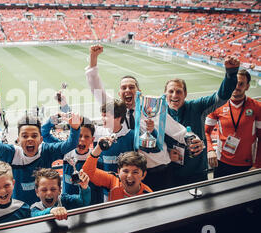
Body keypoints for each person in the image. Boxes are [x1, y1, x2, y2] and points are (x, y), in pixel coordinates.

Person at [86, 44, 236, 189]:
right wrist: (93, 58)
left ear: (139, 91)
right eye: (123, 88)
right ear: (119, 93)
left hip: (160, 170)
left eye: (131, 87)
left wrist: (191, 138)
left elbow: (175, 129)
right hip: (133, 174)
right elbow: (96, 89)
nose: (127, 90)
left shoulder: (151, 107)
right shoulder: (116, 110)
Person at [164, 55, 239, 186]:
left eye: (179, 91)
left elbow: (220, 98)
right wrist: (168, 152)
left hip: (197, 173)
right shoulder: (160, 112)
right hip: (170, 172)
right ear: (165, 94)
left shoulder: (196, 107)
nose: (174, 95)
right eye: (170, 91)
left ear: (185, 94)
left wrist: (231, 74)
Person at [0, 110, 81, 206]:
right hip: (20, 208)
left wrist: (75, 128)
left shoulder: (46, 151)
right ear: (18, 139)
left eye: (34, 136)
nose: (30, 139)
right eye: (25, 136)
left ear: (41, 140)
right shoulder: (12, 153)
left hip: (45, 206)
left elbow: (70, 144)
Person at [205, 69, 260, 177]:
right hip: (221, 163)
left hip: (247, 165)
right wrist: (210, 149)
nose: (236, 87)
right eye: (234, 83)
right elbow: (205, 131)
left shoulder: (257, 107)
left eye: (241, 84)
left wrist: (258, 164)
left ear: (247, 86)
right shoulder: (217, 105)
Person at [42, 114, 104, 204]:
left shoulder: (96, 160)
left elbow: (99, 191)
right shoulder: (65, 149)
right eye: (79, 135)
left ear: (92, 139)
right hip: (67, 206)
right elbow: (44, 134)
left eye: (86, 137)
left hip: (87, 206)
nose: (82, 139)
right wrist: (55, 118)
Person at [82, 141, 152, 200]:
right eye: (126, 171)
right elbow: (87, 172)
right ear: (118, 172)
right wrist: (98, 148)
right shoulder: (113, 180)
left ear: (143, 175)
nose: (130, 176)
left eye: (135, 172)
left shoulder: (148, 195)